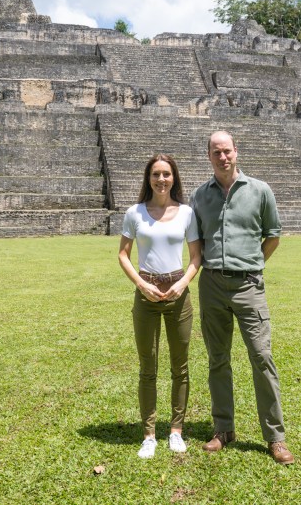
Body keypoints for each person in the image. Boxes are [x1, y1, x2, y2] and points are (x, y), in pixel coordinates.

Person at [190, 131, 295, 465]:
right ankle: (223, 429)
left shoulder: (260, 191)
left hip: (249, 286)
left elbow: (273, 235)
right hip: (211, 285)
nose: (223, 157)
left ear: (237, 152)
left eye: (227, 151)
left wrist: (253, 265)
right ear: (209, 156)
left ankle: (275, 437)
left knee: (262, 358)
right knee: (217, 359)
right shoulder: (199, 196)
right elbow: (197, 242)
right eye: (216, 152)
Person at [118, 154, 202, 459]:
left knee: (180, 367)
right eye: (156, 174)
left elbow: (196, 257)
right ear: (148, 178)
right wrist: (141, 284)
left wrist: (182, 283)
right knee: (147, 367)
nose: (161, 179)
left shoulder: (186, 213)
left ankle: (176, 431)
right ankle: (149, 434)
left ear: (174, 178)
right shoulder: (135, 213)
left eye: (167, 174)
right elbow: (123, 255)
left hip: (178, 293)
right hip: (147, 294)